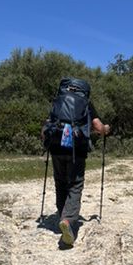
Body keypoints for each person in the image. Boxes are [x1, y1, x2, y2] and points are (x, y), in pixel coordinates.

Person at [42, 79, 110, 246]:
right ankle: (68, 221)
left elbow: (46, 126)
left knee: (60, 182)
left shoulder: (59, 100)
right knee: (75, 185)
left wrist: (46, 142)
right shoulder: (85, 103)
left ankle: (62, 214)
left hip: (56, 148)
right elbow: (98, 126)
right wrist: (106, 129)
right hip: (77, 151)